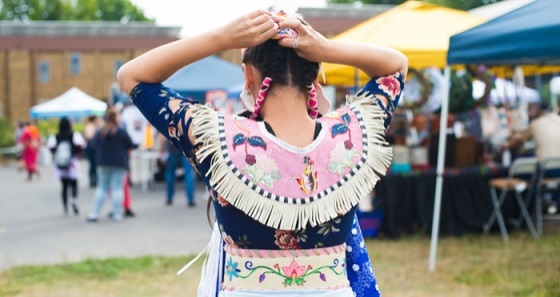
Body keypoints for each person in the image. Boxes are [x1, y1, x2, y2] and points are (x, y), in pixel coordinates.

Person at [118, 8, 407, 297]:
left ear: (247, 76)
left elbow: (132, 76)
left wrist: (221, 39)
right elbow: (396, 65)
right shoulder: (352, 133)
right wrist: (327, 48)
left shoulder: (214, 137)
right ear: (316, 75)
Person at [87, 108, 136, 223]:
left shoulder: (100, 132)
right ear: (116, 118)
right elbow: (130, 144)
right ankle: (117, 213)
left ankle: (94, 213)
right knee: (117, 189)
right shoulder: (121, 131)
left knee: (101, 188)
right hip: (119, 163)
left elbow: (92, 145)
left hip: (102, 163)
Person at [46, 117, 86, 216]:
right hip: (73, 162)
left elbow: (50, 147)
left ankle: (65, 207)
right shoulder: (74, 134)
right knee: (74, 183)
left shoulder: (55, 136)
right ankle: (74, 199)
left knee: (64, 186)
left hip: (60, 164)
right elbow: (81, 146)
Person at [158, 134, 196, 207]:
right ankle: (190, 199)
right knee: (188, 173)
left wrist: (161, 148)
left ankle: (169, 198)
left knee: (170, 172)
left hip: (173, 146)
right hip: (186, 146)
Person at [84, 116, 101, 188]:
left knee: (94, 164)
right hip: (91, 148)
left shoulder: (93, 127)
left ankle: (94, 180)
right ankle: (93, 180)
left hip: (93, 147)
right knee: (93, 164)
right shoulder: (90, 127)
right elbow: (89, 136)